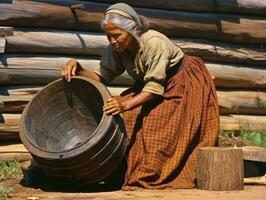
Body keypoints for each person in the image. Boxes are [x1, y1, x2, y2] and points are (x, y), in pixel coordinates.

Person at [62, 3, 219, 190]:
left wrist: (126, 105)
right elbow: (102, 77)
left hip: (182, 83)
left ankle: (152, 171)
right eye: (108, 35)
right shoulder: (116, 48)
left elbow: (154, 89)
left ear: (133, 29)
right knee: (121, 115)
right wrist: (78, 68)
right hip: (153, 86)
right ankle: (120, 171)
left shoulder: (154, 43)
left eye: (117, 35)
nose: (112, 40)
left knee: (156, 125)